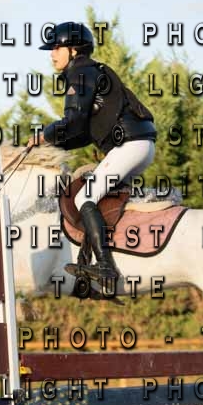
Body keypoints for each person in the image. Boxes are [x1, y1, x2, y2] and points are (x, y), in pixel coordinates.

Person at [27, 21, 157, 290]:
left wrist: (43, 136)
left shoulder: (80, 73)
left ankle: (106, 266)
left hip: (130, 145)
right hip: (141, 145)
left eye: (57, 47)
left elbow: (72, 121)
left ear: (74, 50)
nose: (52, 54)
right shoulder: (92, 70)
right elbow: (83, 132)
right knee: (101, 197)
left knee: (84, 197)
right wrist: (53, 146)